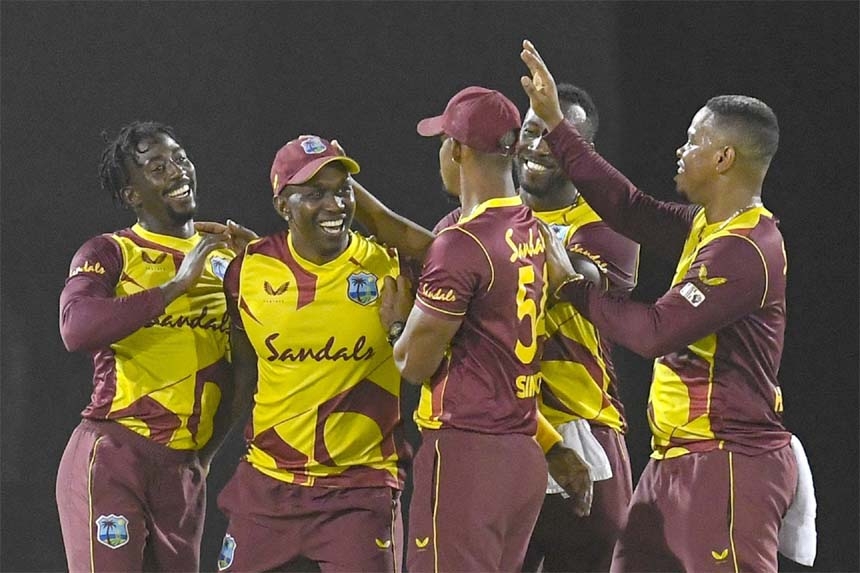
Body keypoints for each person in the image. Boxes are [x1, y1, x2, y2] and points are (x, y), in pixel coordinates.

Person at [520, 40, 798, 572]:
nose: (680, 150)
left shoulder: (745, 249)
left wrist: (570, 288)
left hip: (729, 463)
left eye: (693, 140)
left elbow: (652, 333)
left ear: (723, 158)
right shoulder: (707, 225)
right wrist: (556, 125)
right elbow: (628, 207)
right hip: (674, 461)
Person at [377, 85, 562, 573]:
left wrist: (396, 320)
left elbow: (412, 364)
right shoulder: (532, 226)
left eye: (443, 142)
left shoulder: (461, 243)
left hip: (468, 455)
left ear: (457, 150)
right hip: (522, 455)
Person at [215, 135, 415, 572]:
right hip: (269, 487)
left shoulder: (390, 268)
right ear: (283, 205)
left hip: (358, 492)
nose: (335, 204)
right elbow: (243, 375)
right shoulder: (246, 271)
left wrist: (402, 329)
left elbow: (430, 365)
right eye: (315, 193)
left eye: (342, 191)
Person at [56, 121, 249, 571]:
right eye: (157, 167)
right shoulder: (110, 252)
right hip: (115, 455)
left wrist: (203, 456)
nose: (178, 171)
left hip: (182, 470)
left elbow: (247, 368)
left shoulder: (225, 262)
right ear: (132, 195)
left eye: (181, 159)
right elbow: (76, 329)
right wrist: (175, 288)